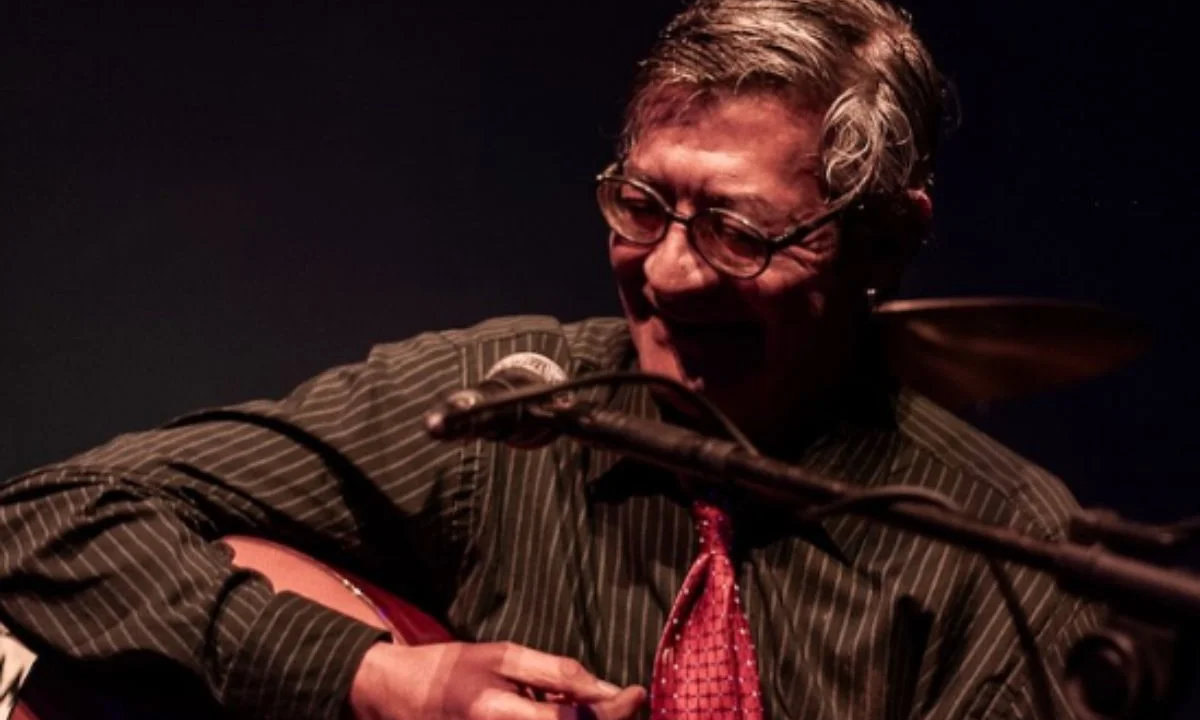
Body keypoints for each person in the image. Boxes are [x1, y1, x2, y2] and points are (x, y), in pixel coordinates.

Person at [0, 1, 1099, 718]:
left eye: (737, 231)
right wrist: (376, 676)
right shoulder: (511, 403)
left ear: (886, 237)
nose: (667, 273)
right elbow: (45, 517)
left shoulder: (1011, 553)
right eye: (641, 205)